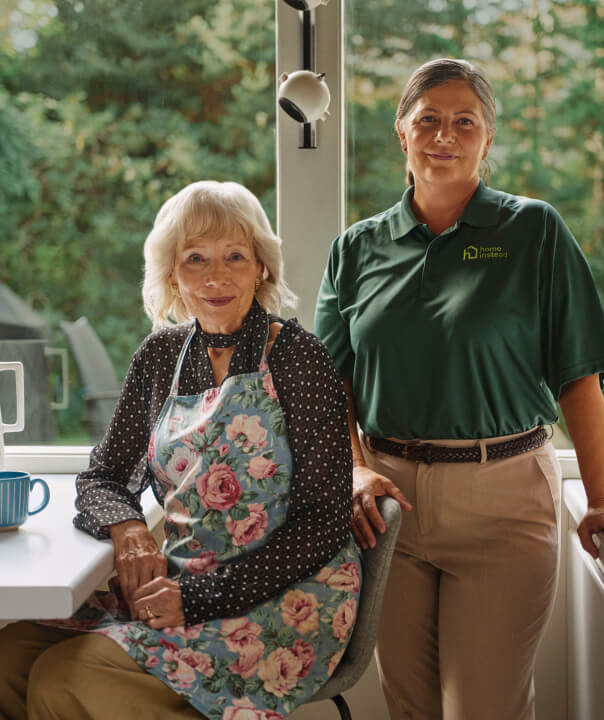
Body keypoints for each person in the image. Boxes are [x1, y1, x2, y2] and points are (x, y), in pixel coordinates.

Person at [313, 58, 604, 720]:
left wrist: (603, 499)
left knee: (484, 709)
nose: (445, 135)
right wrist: (356, 470)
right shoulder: (356, 250)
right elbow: (329, 388)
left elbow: (578, 378)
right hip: (388, 507)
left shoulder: (533, 231)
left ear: (487, 139)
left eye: (464, 122)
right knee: (409, 707)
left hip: (502, 500)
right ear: (402, 131)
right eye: (429, 120)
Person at [0, 181, 362, 720]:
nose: (216, 276)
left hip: (282, 597)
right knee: (8, 656)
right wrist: (128, 532)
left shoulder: (296, 357)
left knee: (63, 680)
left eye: (235, 256)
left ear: (260, 267)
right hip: (179, 577)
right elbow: (102, 476)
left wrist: (198, 599)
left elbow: (324, 521)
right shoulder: (160, 356)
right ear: (172, 272)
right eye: (196, 258)